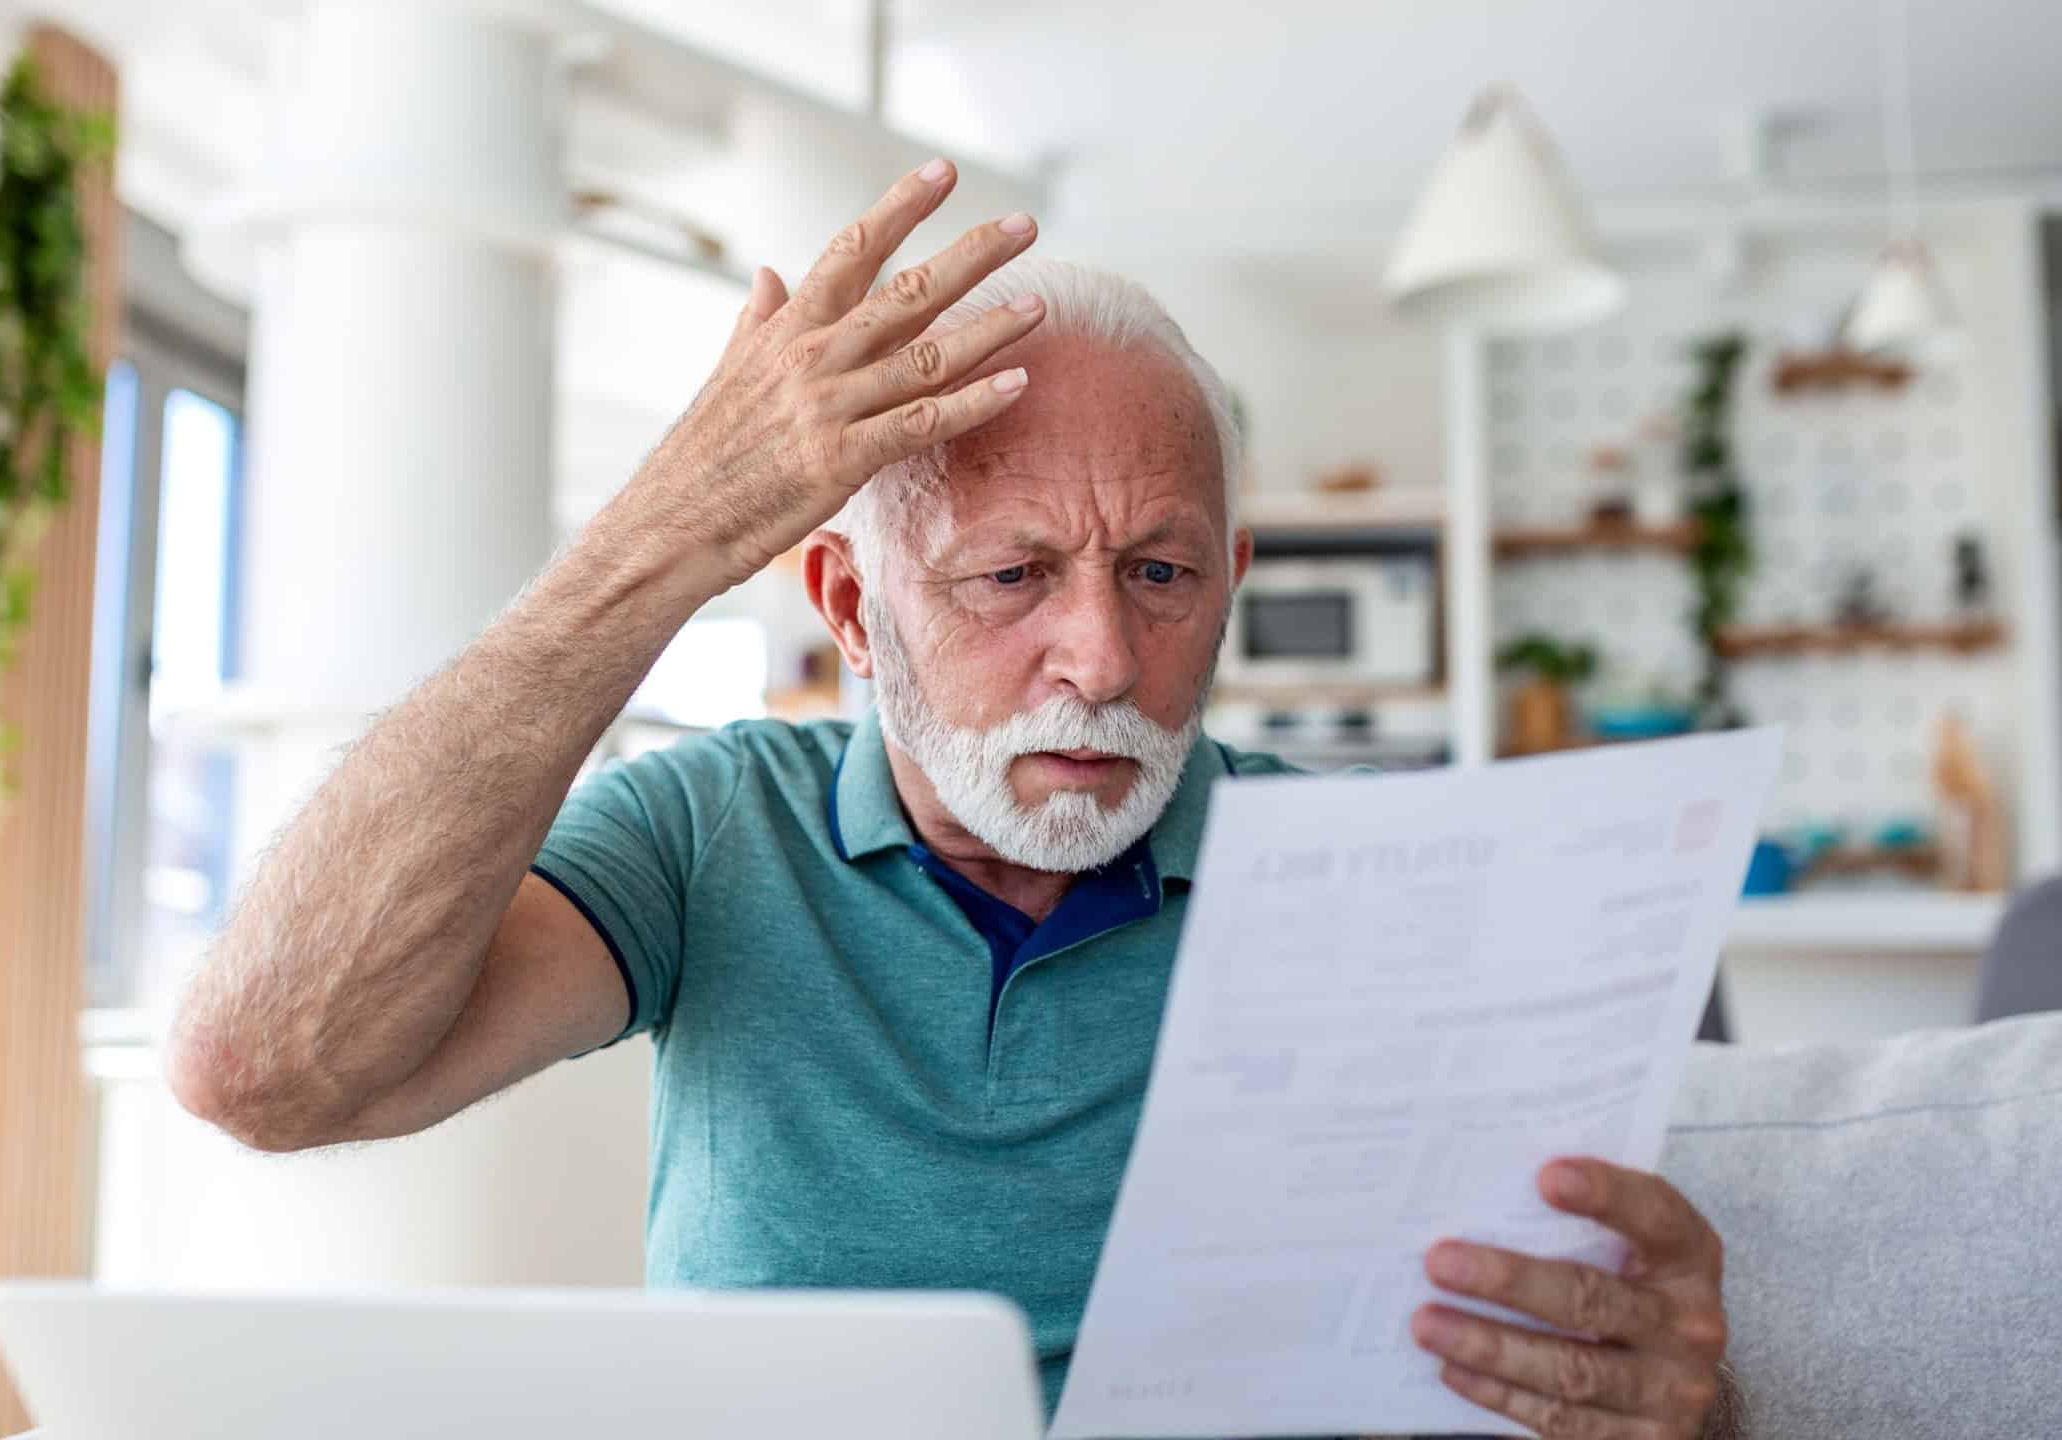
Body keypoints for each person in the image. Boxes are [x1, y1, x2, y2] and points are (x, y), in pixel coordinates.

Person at [167, 157, 1739, 1440]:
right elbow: (267, 1070)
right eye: (1010, 575)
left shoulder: (1367, 876)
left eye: (1164, 573)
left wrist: (1686, 1406)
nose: (1103, 659)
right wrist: (661, 538)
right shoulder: (712, 836)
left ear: (1234, 581)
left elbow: (1565, 1353)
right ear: (849, 606)